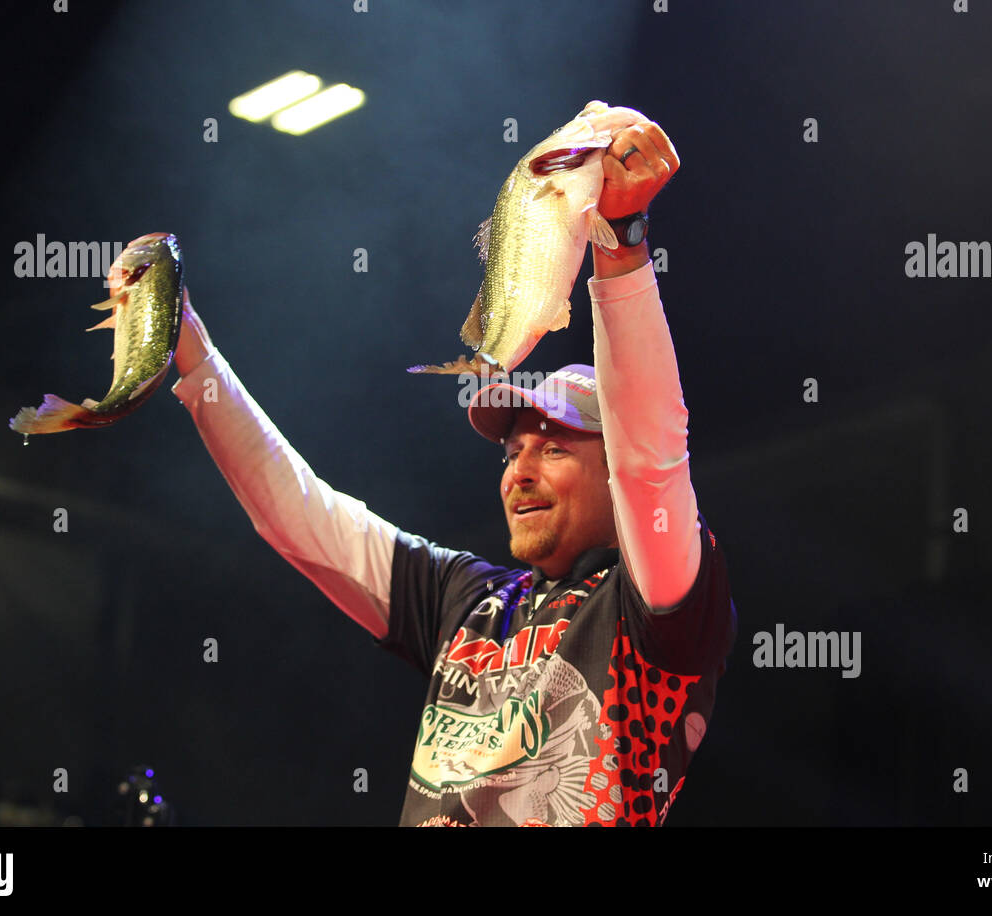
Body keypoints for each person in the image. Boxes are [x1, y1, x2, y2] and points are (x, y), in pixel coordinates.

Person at [170, 112, 736, 826]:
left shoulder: (657, 605)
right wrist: (194, 357)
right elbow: (300, 513)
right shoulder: (465, 599)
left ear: (613, 475)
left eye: (554, 447)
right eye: (512, 451)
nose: (518, 472)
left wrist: (619, 246)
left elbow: (653, 458)